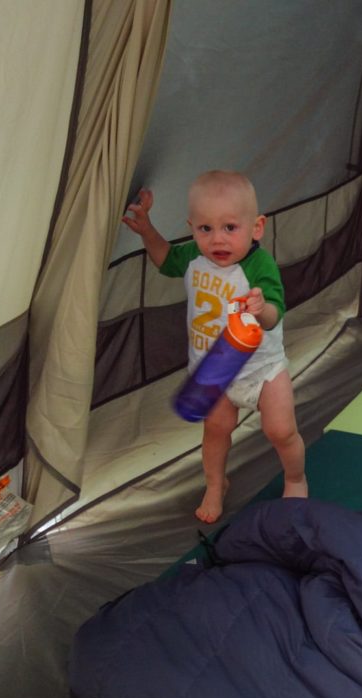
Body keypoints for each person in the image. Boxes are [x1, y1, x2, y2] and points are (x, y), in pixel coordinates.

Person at [122, 170, 307, 523]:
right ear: (192, 227)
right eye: (205, 229)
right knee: (216, 430)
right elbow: (164, 260)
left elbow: (274, 314)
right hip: (214, 371)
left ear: (256, 227)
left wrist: (260, 307)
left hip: (261, 370)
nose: (217, 240)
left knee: (281, 431)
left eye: (230, 228)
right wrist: (147, 230)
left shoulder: (258, 265)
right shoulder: (193, 256)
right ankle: (214, 483)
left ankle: (296, 478)